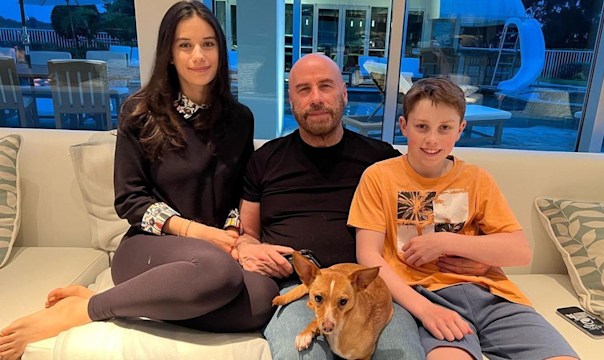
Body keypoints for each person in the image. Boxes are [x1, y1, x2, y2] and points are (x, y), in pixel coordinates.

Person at [0, 2, 278, 359]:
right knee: (217, 271)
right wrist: (200, 233)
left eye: (208, 44)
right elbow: (131, 201)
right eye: (185, 45)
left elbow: (240, 192)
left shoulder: (239, 119)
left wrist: (231, 234)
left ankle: (120, 302)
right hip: (149, 248)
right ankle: (88, 310)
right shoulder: (140, 112)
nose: (199, 55)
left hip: (213, 253)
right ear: (169, 53)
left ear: (221, 51)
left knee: (262, 298)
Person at [348, 77, 579, 360]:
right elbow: (368, 256)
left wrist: (445, 242)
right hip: (426, 295)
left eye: (444, 128)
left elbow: (519, 251)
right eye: (422, 127)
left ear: (460, 129)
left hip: (492, 295)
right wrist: (424, 309)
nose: (432, 139)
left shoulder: (476, 178)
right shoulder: (379, 177)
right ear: (404, 126)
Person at [235, 52, 426, 360]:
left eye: (325, 86)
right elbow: (248, 232)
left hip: (368, 287)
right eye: (304, 89)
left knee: (403, 356)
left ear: (344, 93)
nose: (316, 98)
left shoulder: (380, 159)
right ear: (292, 100)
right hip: (300, 288)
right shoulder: (265, 160)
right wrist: (246, 248)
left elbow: (416, 221)